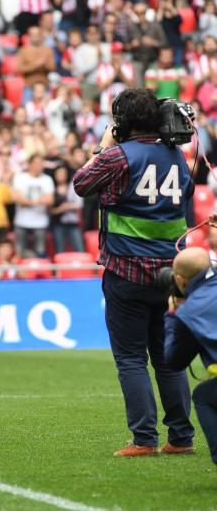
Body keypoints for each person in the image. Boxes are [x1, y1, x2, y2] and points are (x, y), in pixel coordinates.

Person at [73, 88, 195, 456]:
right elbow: (186, 198)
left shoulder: (119, 156)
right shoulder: (177, 156)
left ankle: (144, 439)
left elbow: (81, 183)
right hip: (173, 273)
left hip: (127, 271)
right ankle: (181, 438)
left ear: (122, 121)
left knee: (131, 358)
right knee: (166, 357)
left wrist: (104, 144)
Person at [164, 247, 217, 464]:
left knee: (204, 396)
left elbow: (174, 362)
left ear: (179, 279)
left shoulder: (189, 313)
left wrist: (172, 315)